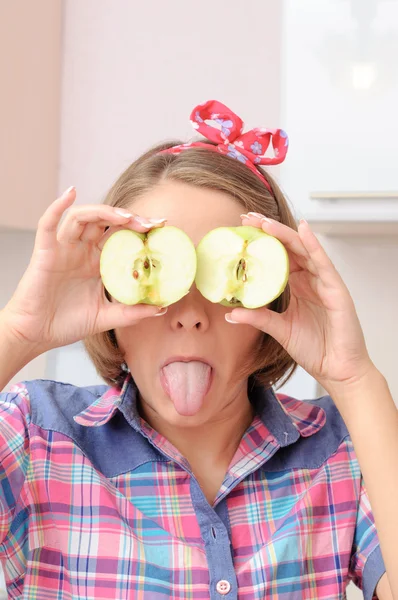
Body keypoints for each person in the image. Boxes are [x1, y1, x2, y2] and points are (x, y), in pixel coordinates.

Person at [0, 100, 396, 600]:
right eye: (157, 278)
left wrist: (355, 378)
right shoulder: (35, 437)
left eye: (224, 280)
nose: (189, 314)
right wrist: (19, 331)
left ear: (270, 305)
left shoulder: (345, 450)